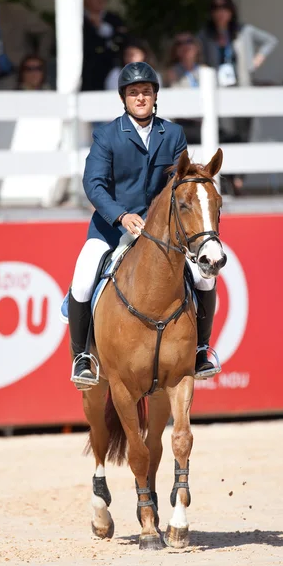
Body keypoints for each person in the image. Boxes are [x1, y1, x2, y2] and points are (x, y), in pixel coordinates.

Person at [65, 61, 219, 386]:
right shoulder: (107, 135)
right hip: (111, 229)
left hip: (162, 231)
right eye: (133, 93)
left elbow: (180, 182)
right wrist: (121, 215)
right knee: (81, 280)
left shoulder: (173, 134)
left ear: (155, 96)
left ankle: (201, 351)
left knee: (205, 279)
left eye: (145, 92)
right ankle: (82, 357)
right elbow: (93, 183)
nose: (140, 98)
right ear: (124, 98)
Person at [198, 0, 278, 194]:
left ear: (231, 10)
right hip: (219, 92)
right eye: (216, 8)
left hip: (243, 88)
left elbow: (271, 40)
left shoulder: (244, 31)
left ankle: (240, 178)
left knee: (244, 132)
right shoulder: (206, 35)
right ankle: (229, 179)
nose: (220, 12)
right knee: (226, 133)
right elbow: (195, 52)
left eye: (224, 7)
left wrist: (257, 59)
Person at [81, 0, 127, 91]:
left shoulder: (113, 19)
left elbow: (122, 41)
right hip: (87, 77)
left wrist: (102, 28)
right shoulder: (79, 20)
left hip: (112, 74)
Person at [165, 32, 204, 144]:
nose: (185, 46)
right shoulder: (172, 72)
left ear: (197, 47)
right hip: (183, 124)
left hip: (204, 121)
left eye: (189, 42)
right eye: (180, 44)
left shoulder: (205, 71)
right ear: (175, 50)